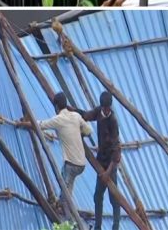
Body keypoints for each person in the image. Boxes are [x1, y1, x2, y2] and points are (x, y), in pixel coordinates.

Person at [70, 91, 121, 230]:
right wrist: (71, 110)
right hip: (101, 161)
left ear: (110, 107)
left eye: (108, 108)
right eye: (105, 108)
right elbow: (86, 115)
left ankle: (115, 227)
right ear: (102, 106)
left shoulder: (113, 122)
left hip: (110, 164)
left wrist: (108, 172)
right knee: (98, 196)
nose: (106, 110)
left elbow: (117, 152)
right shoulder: (99, 112)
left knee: (114, 199)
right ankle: (98, 227)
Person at [39, 92, 92, 215]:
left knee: (64, 197)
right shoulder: (76, 116)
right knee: (68, 188)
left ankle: (69, 221)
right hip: (81, 164)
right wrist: (79, 133)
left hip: (71, 164)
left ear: (56, 106)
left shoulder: (58, 120)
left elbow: (40, 125)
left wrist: (25, 123)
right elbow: (89, 131)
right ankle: (67, 209)